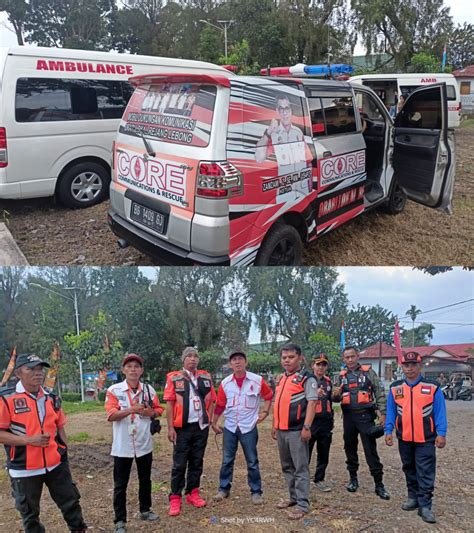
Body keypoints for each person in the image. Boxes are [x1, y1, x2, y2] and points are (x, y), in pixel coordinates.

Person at [0, 354, 87, 533]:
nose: (38, 373)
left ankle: (78, 530)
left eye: (40, 369)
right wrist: (27, 440)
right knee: (29, 514)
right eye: (31, 369)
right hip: (24, 468)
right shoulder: (6, 399)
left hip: (56, 465)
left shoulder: (51, 397)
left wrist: (63, 451)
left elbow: (60, 426)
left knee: (71, 503)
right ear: (18, 373)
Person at [385, 351, 447, 524]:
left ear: (420, 366)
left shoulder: (433, 387)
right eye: (406, 365)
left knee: (425, 471)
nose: (410, 368)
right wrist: (388, 430)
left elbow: (440, 412)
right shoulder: (395, 388)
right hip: (403, 438)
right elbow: (391, 411)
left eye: (413, 365)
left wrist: (441, 433)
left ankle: (425, 505)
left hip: (426, 439)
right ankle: (413, 497)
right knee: (409, 468)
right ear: (402, 367)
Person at [105, 353, 163, 533]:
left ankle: (145, 510)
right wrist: (131, 409)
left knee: (145, 479)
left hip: (144, 443)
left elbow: (159, 410)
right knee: (120, 484)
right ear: (123, 370)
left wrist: (148, 412)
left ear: (141, 371)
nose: (133, 369)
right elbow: (111, 415)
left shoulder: (148, 390)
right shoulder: (114, 390)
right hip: (123, 445)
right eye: (129, 366)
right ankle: (120, 520)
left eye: (136, 366)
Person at [211, 350, 273, 504]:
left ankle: (256, 492)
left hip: (249, 427)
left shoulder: (257, 380)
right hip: (230, 426)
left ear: (246, 362)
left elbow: (269, 396)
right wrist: (214, 422)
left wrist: (265, 411)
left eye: (240, 359)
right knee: (227, 460)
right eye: (234, 360)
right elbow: (220, 405)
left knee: (252, 460)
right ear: (230, 364)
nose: (237, 362)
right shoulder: (225, 383)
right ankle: (223, 489)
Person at [164, 347, 216, 516]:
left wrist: (209, 418)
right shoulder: (174, 377)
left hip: (200, 427)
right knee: (179, 463)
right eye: (189, 356)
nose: (193, 359)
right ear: (183, 360)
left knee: (197, 461)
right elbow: (170, 404)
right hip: (182, 428)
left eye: (195, 356)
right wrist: (170, 427)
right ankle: (175, 497)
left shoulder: (205, 377)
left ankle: (193, 492)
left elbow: (212, 400)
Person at [332, 346, 390, 500]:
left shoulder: (369, 372)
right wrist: (335, 395)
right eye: (347, 357)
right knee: (350, 448)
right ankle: (353, 479)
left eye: (352, 356)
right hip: (349, 418)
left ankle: (379, 484)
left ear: (358, 356)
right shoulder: (341, 376)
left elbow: (380, 392)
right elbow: (335, 398)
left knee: (371, 451)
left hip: (366, 417)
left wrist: (383, 413)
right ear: (343, 359)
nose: (350, 360)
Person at [272, 343, 317, 520]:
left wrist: (307, 427)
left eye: (291, 357)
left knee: (300, 468)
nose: (287, 360)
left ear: (300, 357)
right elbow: (279, 403)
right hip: (282, 430)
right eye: (284, 357)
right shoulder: (283, 378)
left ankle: (303, 505)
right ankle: (293, 498)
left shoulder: (307, 378)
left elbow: (312, 403)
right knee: (287, 467)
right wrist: (275, 425)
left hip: (298, 430)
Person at [255, 93, 307, 176]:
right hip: (286, 185)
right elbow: (259, 158)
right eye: (281, 109)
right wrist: (269, 131)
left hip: (302, 184)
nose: (285, 113)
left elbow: (307, 157)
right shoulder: (273, 135)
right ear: (277, 111)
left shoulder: (299, 132)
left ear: (291, 110)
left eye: (287, 108)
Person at [308, 354, 334, 492]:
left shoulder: (328, 382)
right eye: (318, 364)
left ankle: (319, 479)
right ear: (313, 365)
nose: (321, 367)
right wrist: (313, 393)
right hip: (310, 422)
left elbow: (331, 400)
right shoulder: (306, 381)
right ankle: (302, 479)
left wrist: (337, 395)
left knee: (323, 452)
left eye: (324, 365)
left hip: (325, 422)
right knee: (305, 452)